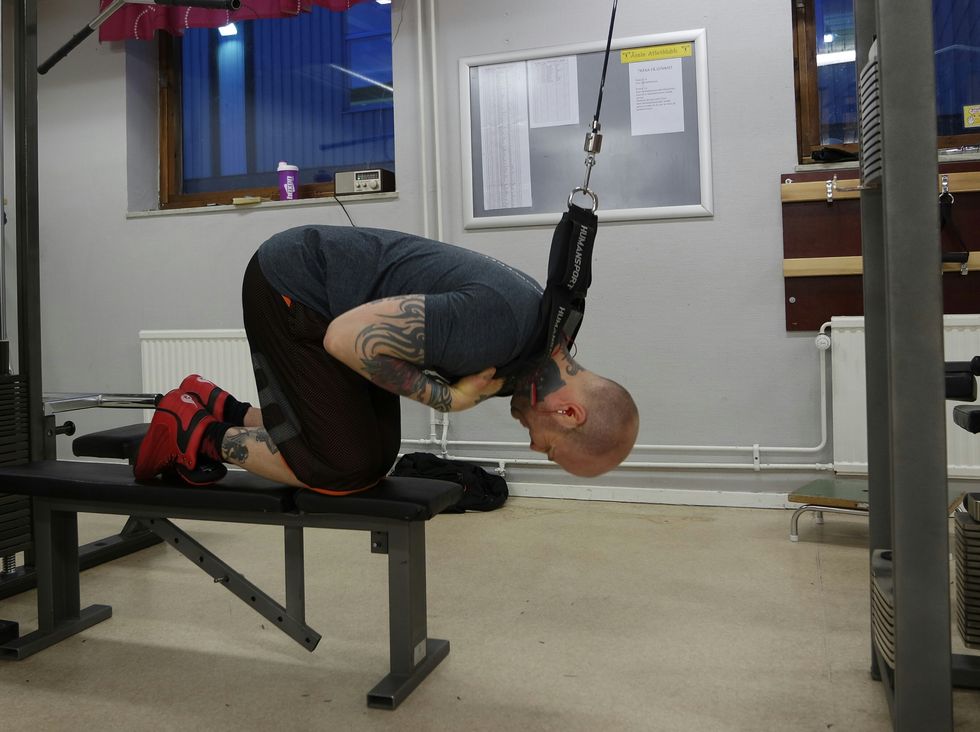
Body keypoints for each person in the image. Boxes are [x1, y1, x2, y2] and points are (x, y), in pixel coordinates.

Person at [135, 225, 639, 493]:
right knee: (341, 468)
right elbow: (345, 340)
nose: (533, 446)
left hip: (335, 304)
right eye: (550, 450)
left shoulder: (545, 347)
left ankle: (215, 404)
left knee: (377, 458)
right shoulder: (497, 332)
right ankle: (191, 430)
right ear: (569, 413)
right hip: (293, 287)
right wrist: (446, 399)